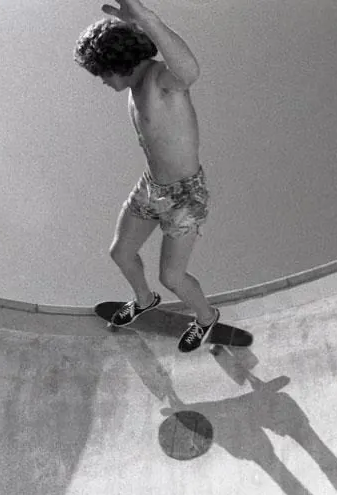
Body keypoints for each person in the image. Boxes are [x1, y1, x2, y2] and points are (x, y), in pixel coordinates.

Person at [74, 0, 219, 353]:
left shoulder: (160, 79)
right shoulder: (134, 88)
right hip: (151, 187)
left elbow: (189, 72)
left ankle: (205, 317)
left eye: (102, 74)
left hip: (186, 197)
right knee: (121, 252)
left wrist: (146, 18)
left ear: (116, 64)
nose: (103, 82)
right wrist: (133, 29)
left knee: (172, 276)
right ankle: (144, 299)